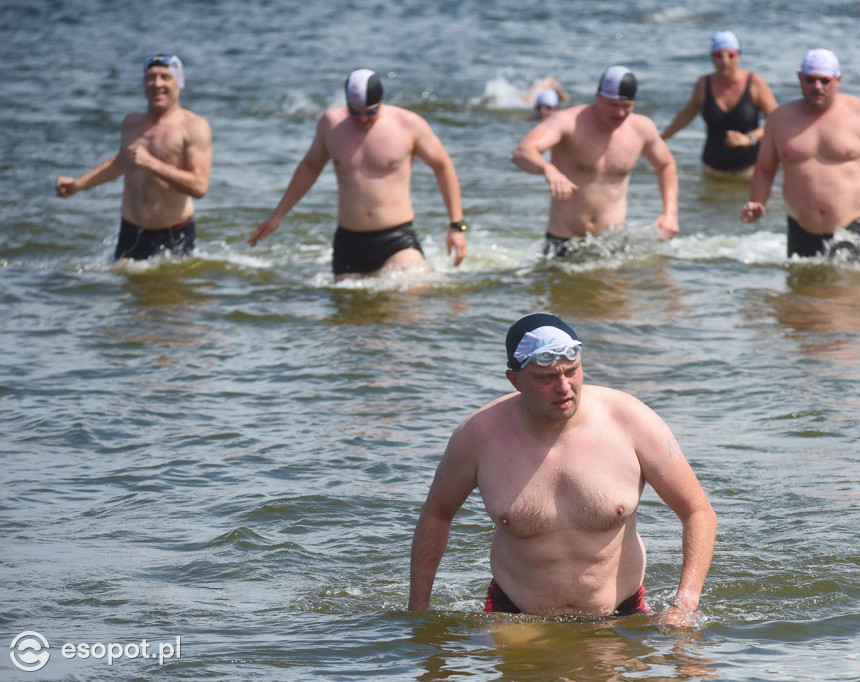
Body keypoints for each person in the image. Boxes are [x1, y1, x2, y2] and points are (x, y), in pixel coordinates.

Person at [409, 313, 717, 626]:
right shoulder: (478, 437)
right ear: (515, 380)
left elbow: (698, 511)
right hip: (515, 616)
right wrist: (418, 612)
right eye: (545, 378)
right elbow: (436, 514)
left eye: (572, 371)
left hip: (621, 614)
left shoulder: (632, 422)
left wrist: (684, 603)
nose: (563, 386)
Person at [247, 69, 468, 279]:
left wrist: (457, 226)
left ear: (381, 102)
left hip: (397, 238)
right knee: (348, 313)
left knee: (410, 294)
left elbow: (443, 166)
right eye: (355, 112)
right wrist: (277, 215)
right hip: (349, 240)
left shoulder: (408, 124)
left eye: (371, 112)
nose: (363, 119)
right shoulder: (330, 124)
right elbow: (310, 167)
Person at [741, 49, 860, 257]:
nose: (817, 86)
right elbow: (765, 170)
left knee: (851, 288)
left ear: (838, 80)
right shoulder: (779, 119)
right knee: (800, 290)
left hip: (851, 230)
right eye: (810, 80)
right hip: (800, 230)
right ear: (800, 78)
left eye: (824, 80)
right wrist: (757, 201)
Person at [56, 55, 212, 261]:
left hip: (173, 232)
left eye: (165, 77)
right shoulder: (132, 123)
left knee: (172, 292)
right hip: (130, 229)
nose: (157, 84)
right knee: (123, 288)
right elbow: (120, 164)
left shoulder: (193, 126)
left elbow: (199, 186)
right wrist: (78, 185)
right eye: (151, 77)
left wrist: (152, 164)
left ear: (180, 83)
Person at [512, 66, 679, 256]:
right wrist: (547, 169)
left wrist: (670, 214)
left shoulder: (641, 129)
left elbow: (666, 165)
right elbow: (522, 152)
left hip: (611, 244)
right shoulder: (568, 122)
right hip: (564, 242)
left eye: (626, 107)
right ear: (598, 97)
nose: (620, 113)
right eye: (613, 105)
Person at [661, 31, 778, 179]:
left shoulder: (755, 82)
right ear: (712, 58)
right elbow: (686, 115)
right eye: (718, 55)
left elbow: (776, 120)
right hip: (712, 172)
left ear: (739, 56)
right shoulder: (703, 85)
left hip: (749, 172)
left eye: (730, 55)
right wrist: (661, 139)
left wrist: (749, 138)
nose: (724, 61)